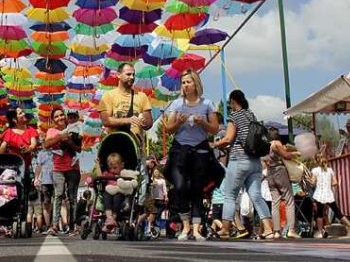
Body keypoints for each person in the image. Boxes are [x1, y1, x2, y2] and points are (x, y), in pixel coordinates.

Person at [162, 69, 219, 241]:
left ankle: (195, 228)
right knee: (180, 187)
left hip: (200, 151)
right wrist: (178, 122)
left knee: (197, 189)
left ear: (196, 84)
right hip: (180, 150)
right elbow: (168, 128)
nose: (186, 85)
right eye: (183, 82)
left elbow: (215, 128)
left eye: (189, 82)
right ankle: (185, 225)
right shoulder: (177, 104)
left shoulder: (207, 104)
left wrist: (203, 122)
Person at [213, 90, 275, 239]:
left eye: (230, 103)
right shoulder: (251, 115)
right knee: (256, 196)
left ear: (233, 101)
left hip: (239, 159)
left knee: (229, 195)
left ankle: (226, 229)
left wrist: (215, 144)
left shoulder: (235, 116)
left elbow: (228, 139)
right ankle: (268, 229)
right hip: (255, 162)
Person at [44, 107, 81, 235]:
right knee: (58, 195)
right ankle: (54, 226)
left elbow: (79, 148)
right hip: (58, 168)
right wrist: (60, 137)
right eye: (56, 117)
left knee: (72, 198)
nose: (60, 118)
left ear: (65, 116)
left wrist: (69, 141)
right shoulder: (51, 131)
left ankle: (73, 227)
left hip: (73, 168)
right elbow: (46, 145)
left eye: (61, 115)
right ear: (53, 120)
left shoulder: (74, 128)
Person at [99, 63, 152, 142]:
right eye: (128, 74)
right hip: (115, 144)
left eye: (133, 75)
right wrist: (128, 120)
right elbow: (106, 121)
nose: (132, 77)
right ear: (118, 75)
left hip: (135, 146)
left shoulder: (142, 96)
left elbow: (149, 122)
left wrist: (145, 122)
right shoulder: (108, 96)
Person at [311, 154, 350, 238]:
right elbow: (335, 183)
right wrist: (328, 183)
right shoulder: (330, 170)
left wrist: (311, 180)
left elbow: (312, 182)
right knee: (337, 212)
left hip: (319, 194)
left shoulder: (315, 170)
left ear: (316, 161)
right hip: (328, 194)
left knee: (319, 213)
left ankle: (320, 232)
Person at [266, 127, 299, 239]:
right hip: (280, 171)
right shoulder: (276, 143)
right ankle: (291, 230)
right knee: (289, 199)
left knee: (275, 202)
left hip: (270, 173)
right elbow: (286, 156)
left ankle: (276, 231)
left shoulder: (267, 144)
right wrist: (296, 153)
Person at [100, 152, 127, 233]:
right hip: (109, 192)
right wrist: (97, 165)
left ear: (122, 165)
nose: (112, 170)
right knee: (106, 195)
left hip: (120, 193)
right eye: (110, 168)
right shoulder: (107, 173)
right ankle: (109, 218)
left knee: (117, 197)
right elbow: (100, 177)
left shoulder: (124, 174)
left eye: (115, 168)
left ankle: (113, 219)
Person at [33, 140, 54, 234]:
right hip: (45, 181)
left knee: (57, 203)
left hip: (56, 180)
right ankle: (48, 226)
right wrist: (36, 178)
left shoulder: (56, 152)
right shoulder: (41, 153)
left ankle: (56, 225)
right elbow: (39, 166)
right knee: (46, 204)